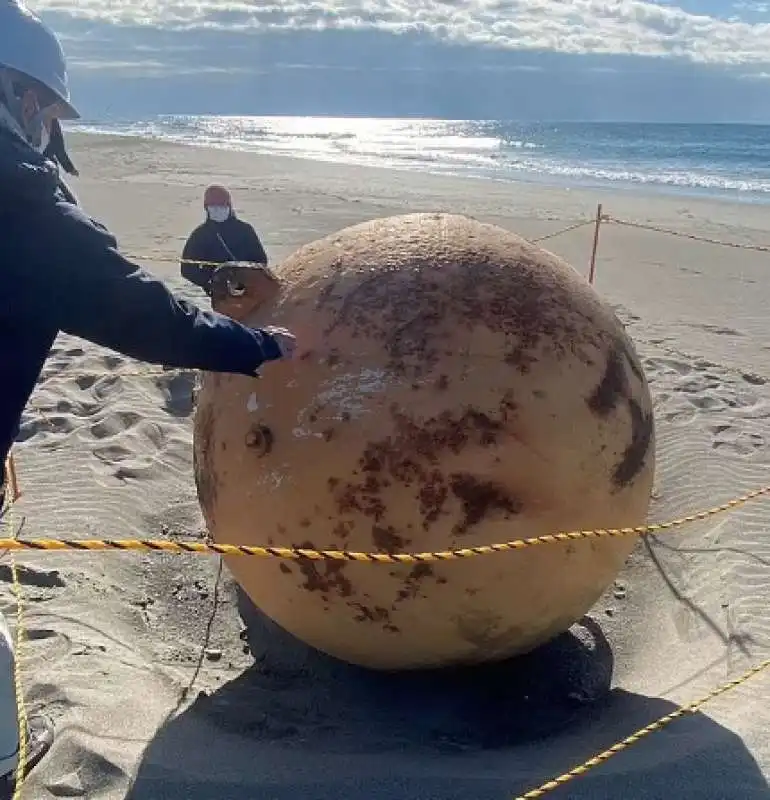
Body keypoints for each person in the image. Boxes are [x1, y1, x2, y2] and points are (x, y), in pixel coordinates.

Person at [0, 1, 297, 793]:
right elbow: (129, 304)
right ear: (23, 97)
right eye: (43, 110)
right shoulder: (17, 199)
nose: (43, 127)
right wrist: (257, 347)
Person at [180, 184, 268, 296]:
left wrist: (246, 277)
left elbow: (261, 261)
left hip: (250, 291)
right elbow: (187, 268)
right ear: (206, 208)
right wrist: (211, 282)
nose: (218, 209)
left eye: (222, 205)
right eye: (213, 206)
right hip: (221, 297)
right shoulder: (200, 234)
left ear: (229, 206)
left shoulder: (245, 230)